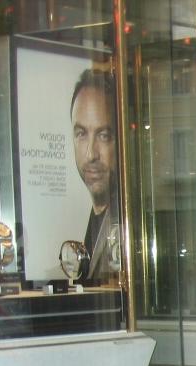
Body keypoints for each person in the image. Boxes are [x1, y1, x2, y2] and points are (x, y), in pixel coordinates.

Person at [70, 68, 119, 283]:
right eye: (81, 134)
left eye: (103, 135)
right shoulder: (90, 219)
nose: (91, 154)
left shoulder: (128, 221)